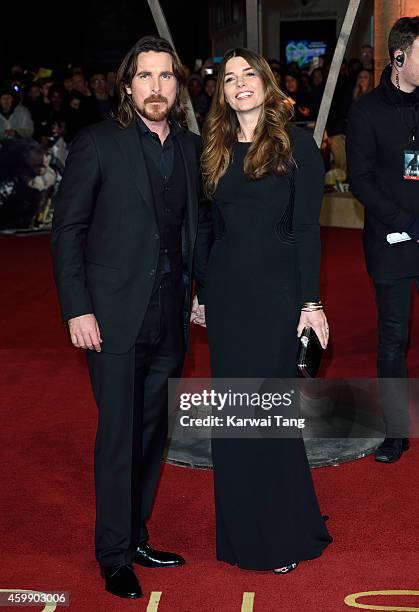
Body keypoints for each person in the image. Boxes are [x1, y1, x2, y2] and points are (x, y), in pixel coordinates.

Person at [51, 35, 211, 599]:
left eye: (166, 76)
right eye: (145, 76)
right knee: (118, 436)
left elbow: (196, 228)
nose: (156, 86)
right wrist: (78, 308)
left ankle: (138, 533)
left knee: (151, 434)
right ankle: (114, 553)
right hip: (112, 317)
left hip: (169, 316)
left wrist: (200, 289)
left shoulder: (191, 148)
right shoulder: (98, 144)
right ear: (127, 85)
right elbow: (67, 230)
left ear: (178, 84)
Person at [200, 48, 332, 573]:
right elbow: (207, 229)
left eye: (247, 75)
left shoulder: (296, 144)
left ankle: (281, 533)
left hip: (276, 296)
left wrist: (311, 302)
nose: (239, 85)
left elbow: (307, 232)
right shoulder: (212, 148)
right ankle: (240, 535)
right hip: (227, 295)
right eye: (229, 79)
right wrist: (200, 290)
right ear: (223, 93)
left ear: (265, 82)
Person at [347, 16, 419, 463]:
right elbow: (361, 180)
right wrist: (405, 220)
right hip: (391, 240)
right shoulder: (366, 111)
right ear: (398, 57)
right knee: (393, 338)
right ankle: (396, 430)